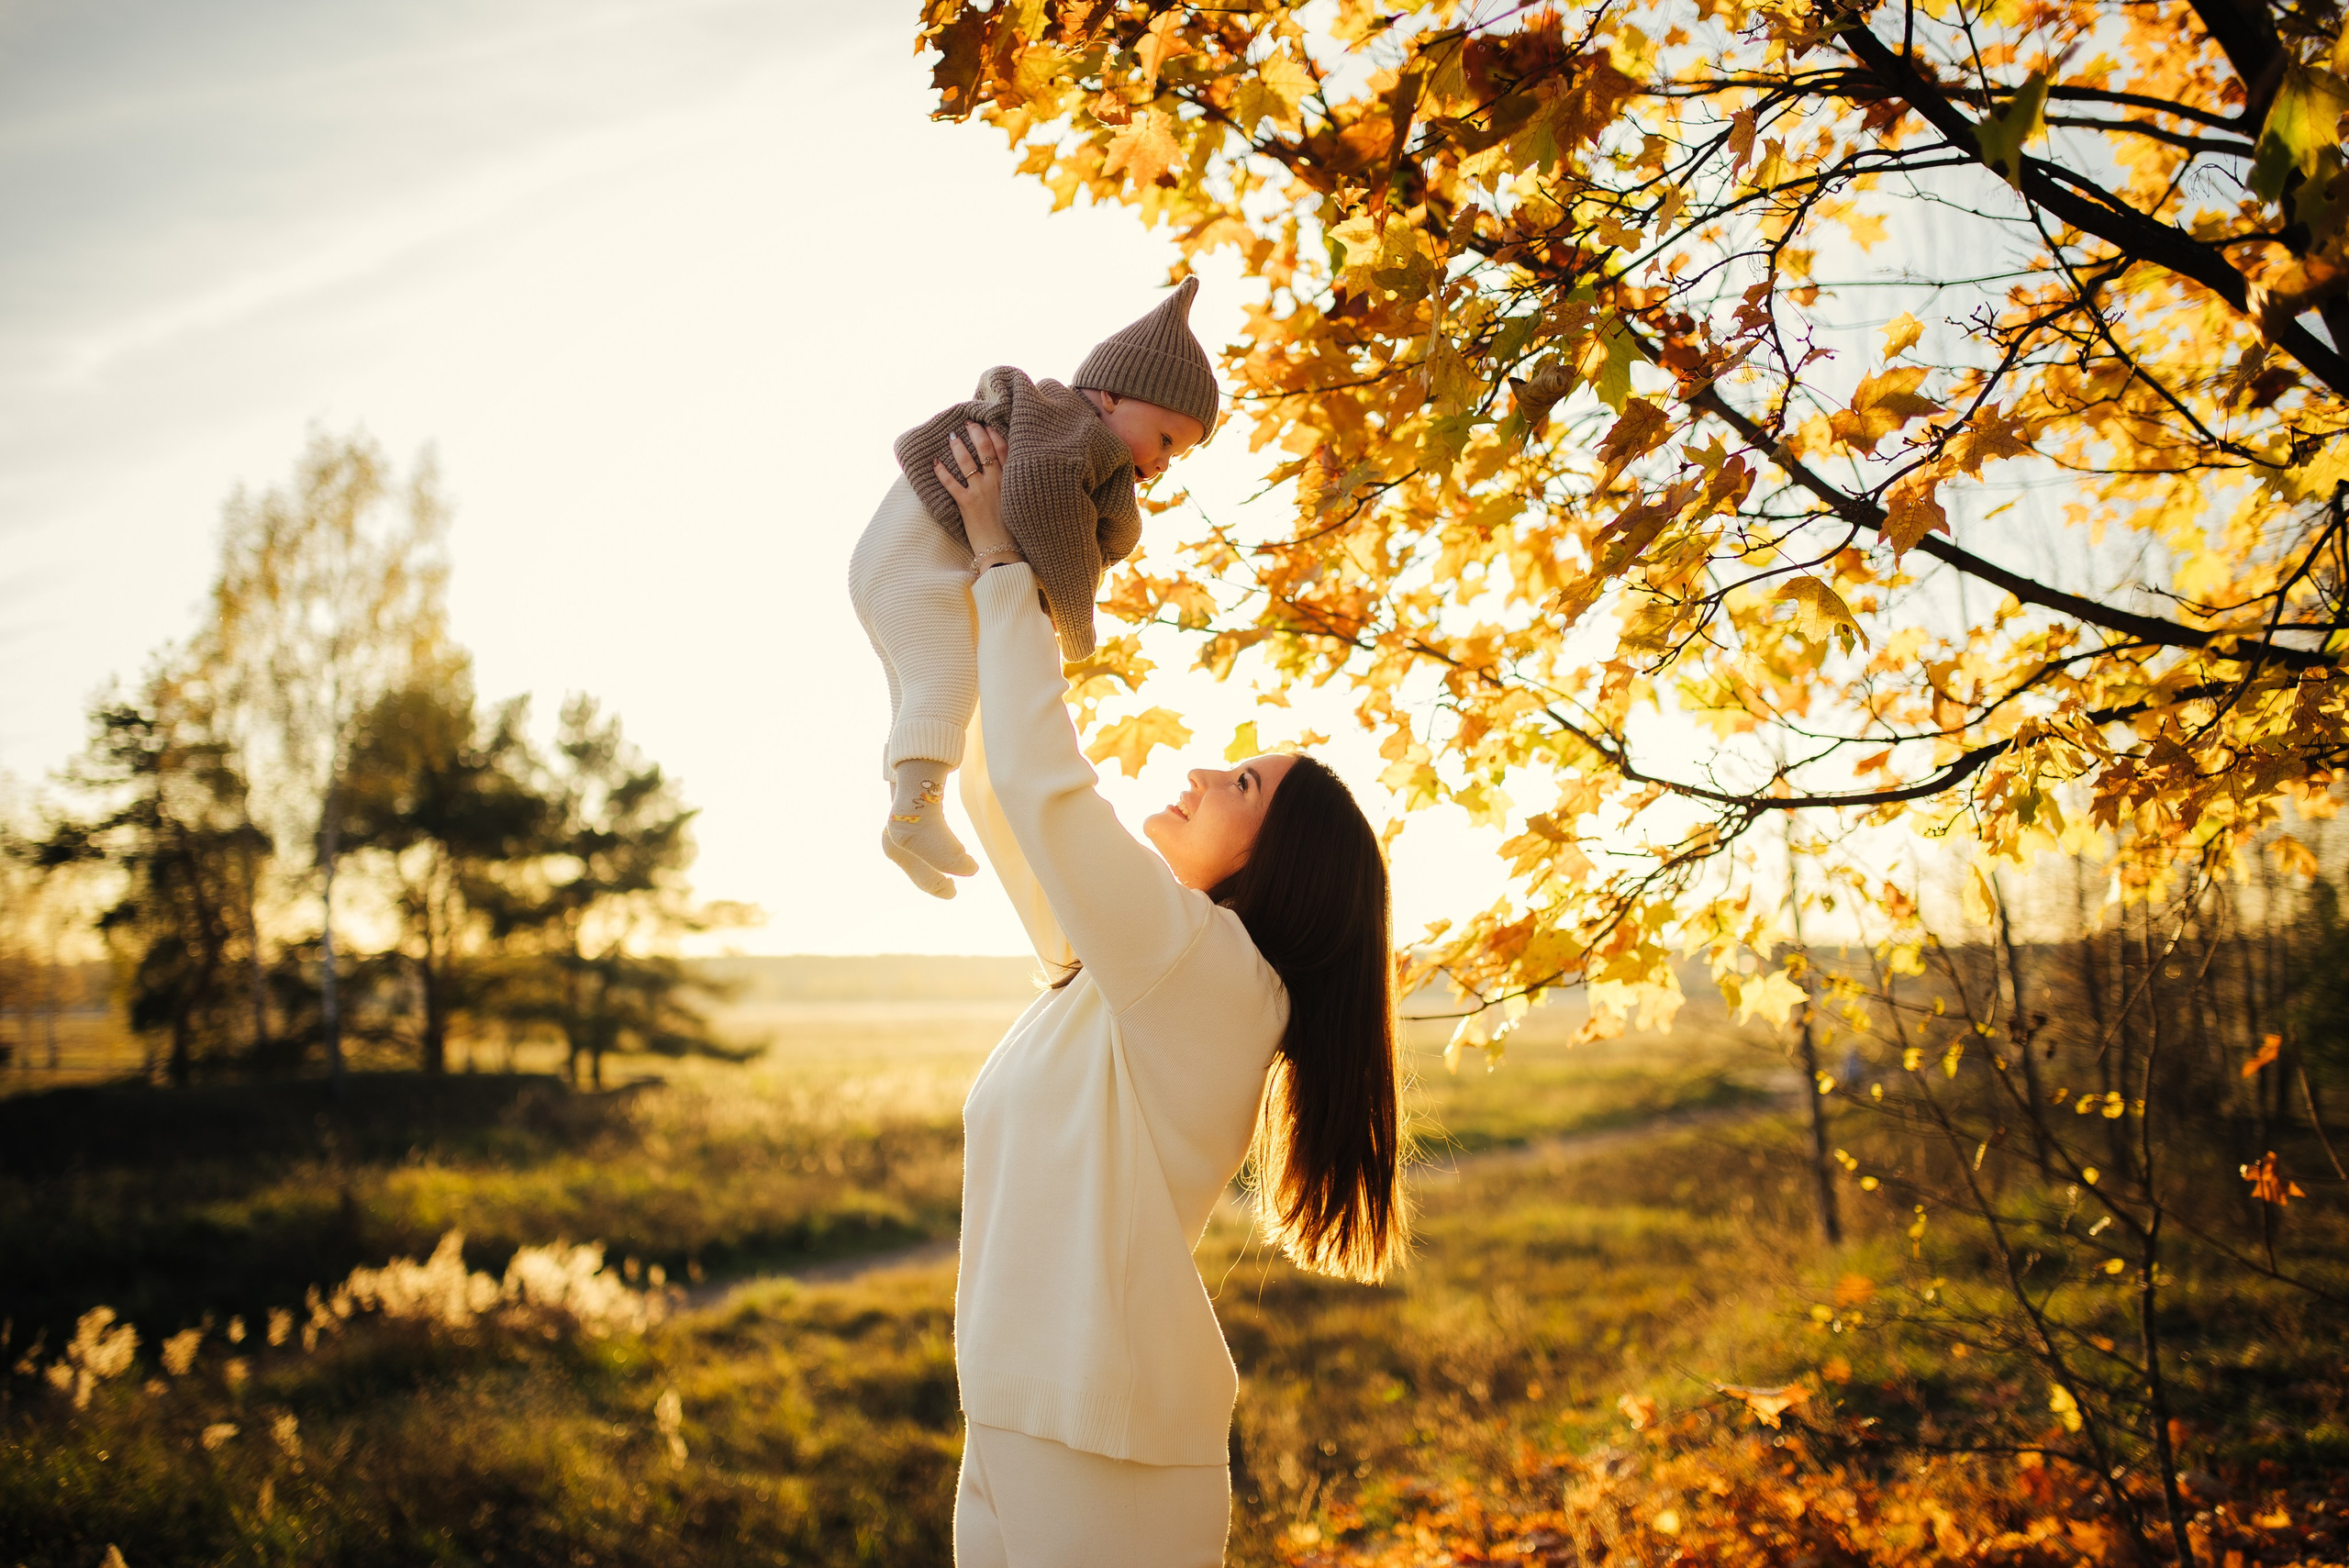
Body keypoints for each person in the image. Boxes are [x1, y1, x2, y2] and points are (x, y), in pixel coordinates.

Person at [930, 422, 1409, 1568]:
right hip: (1018, 1416)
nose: (1201, 771)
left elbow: (1052, 789)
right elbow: (1006, 793)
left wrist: (1006, 567)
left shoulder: (1208, 977)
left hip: (1106, 1447)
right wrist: (1002, 578)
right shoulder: (1130, 973)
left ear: (1274, 865)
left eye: (1241, 781)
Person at [851, 278, 1218, 900]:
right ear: (1110, 395)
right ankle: (916, 813)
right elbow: (1049, 518)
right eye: (1164, 441)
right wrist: (1076, 623)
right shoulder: (1072, 434)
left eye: (1174, 457)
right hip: (917, 559)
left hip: (890, 560)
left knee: (920, 690)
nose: (1160, 465)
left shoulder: (1051, 423)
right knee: (947, 683)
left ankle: (902, 812)